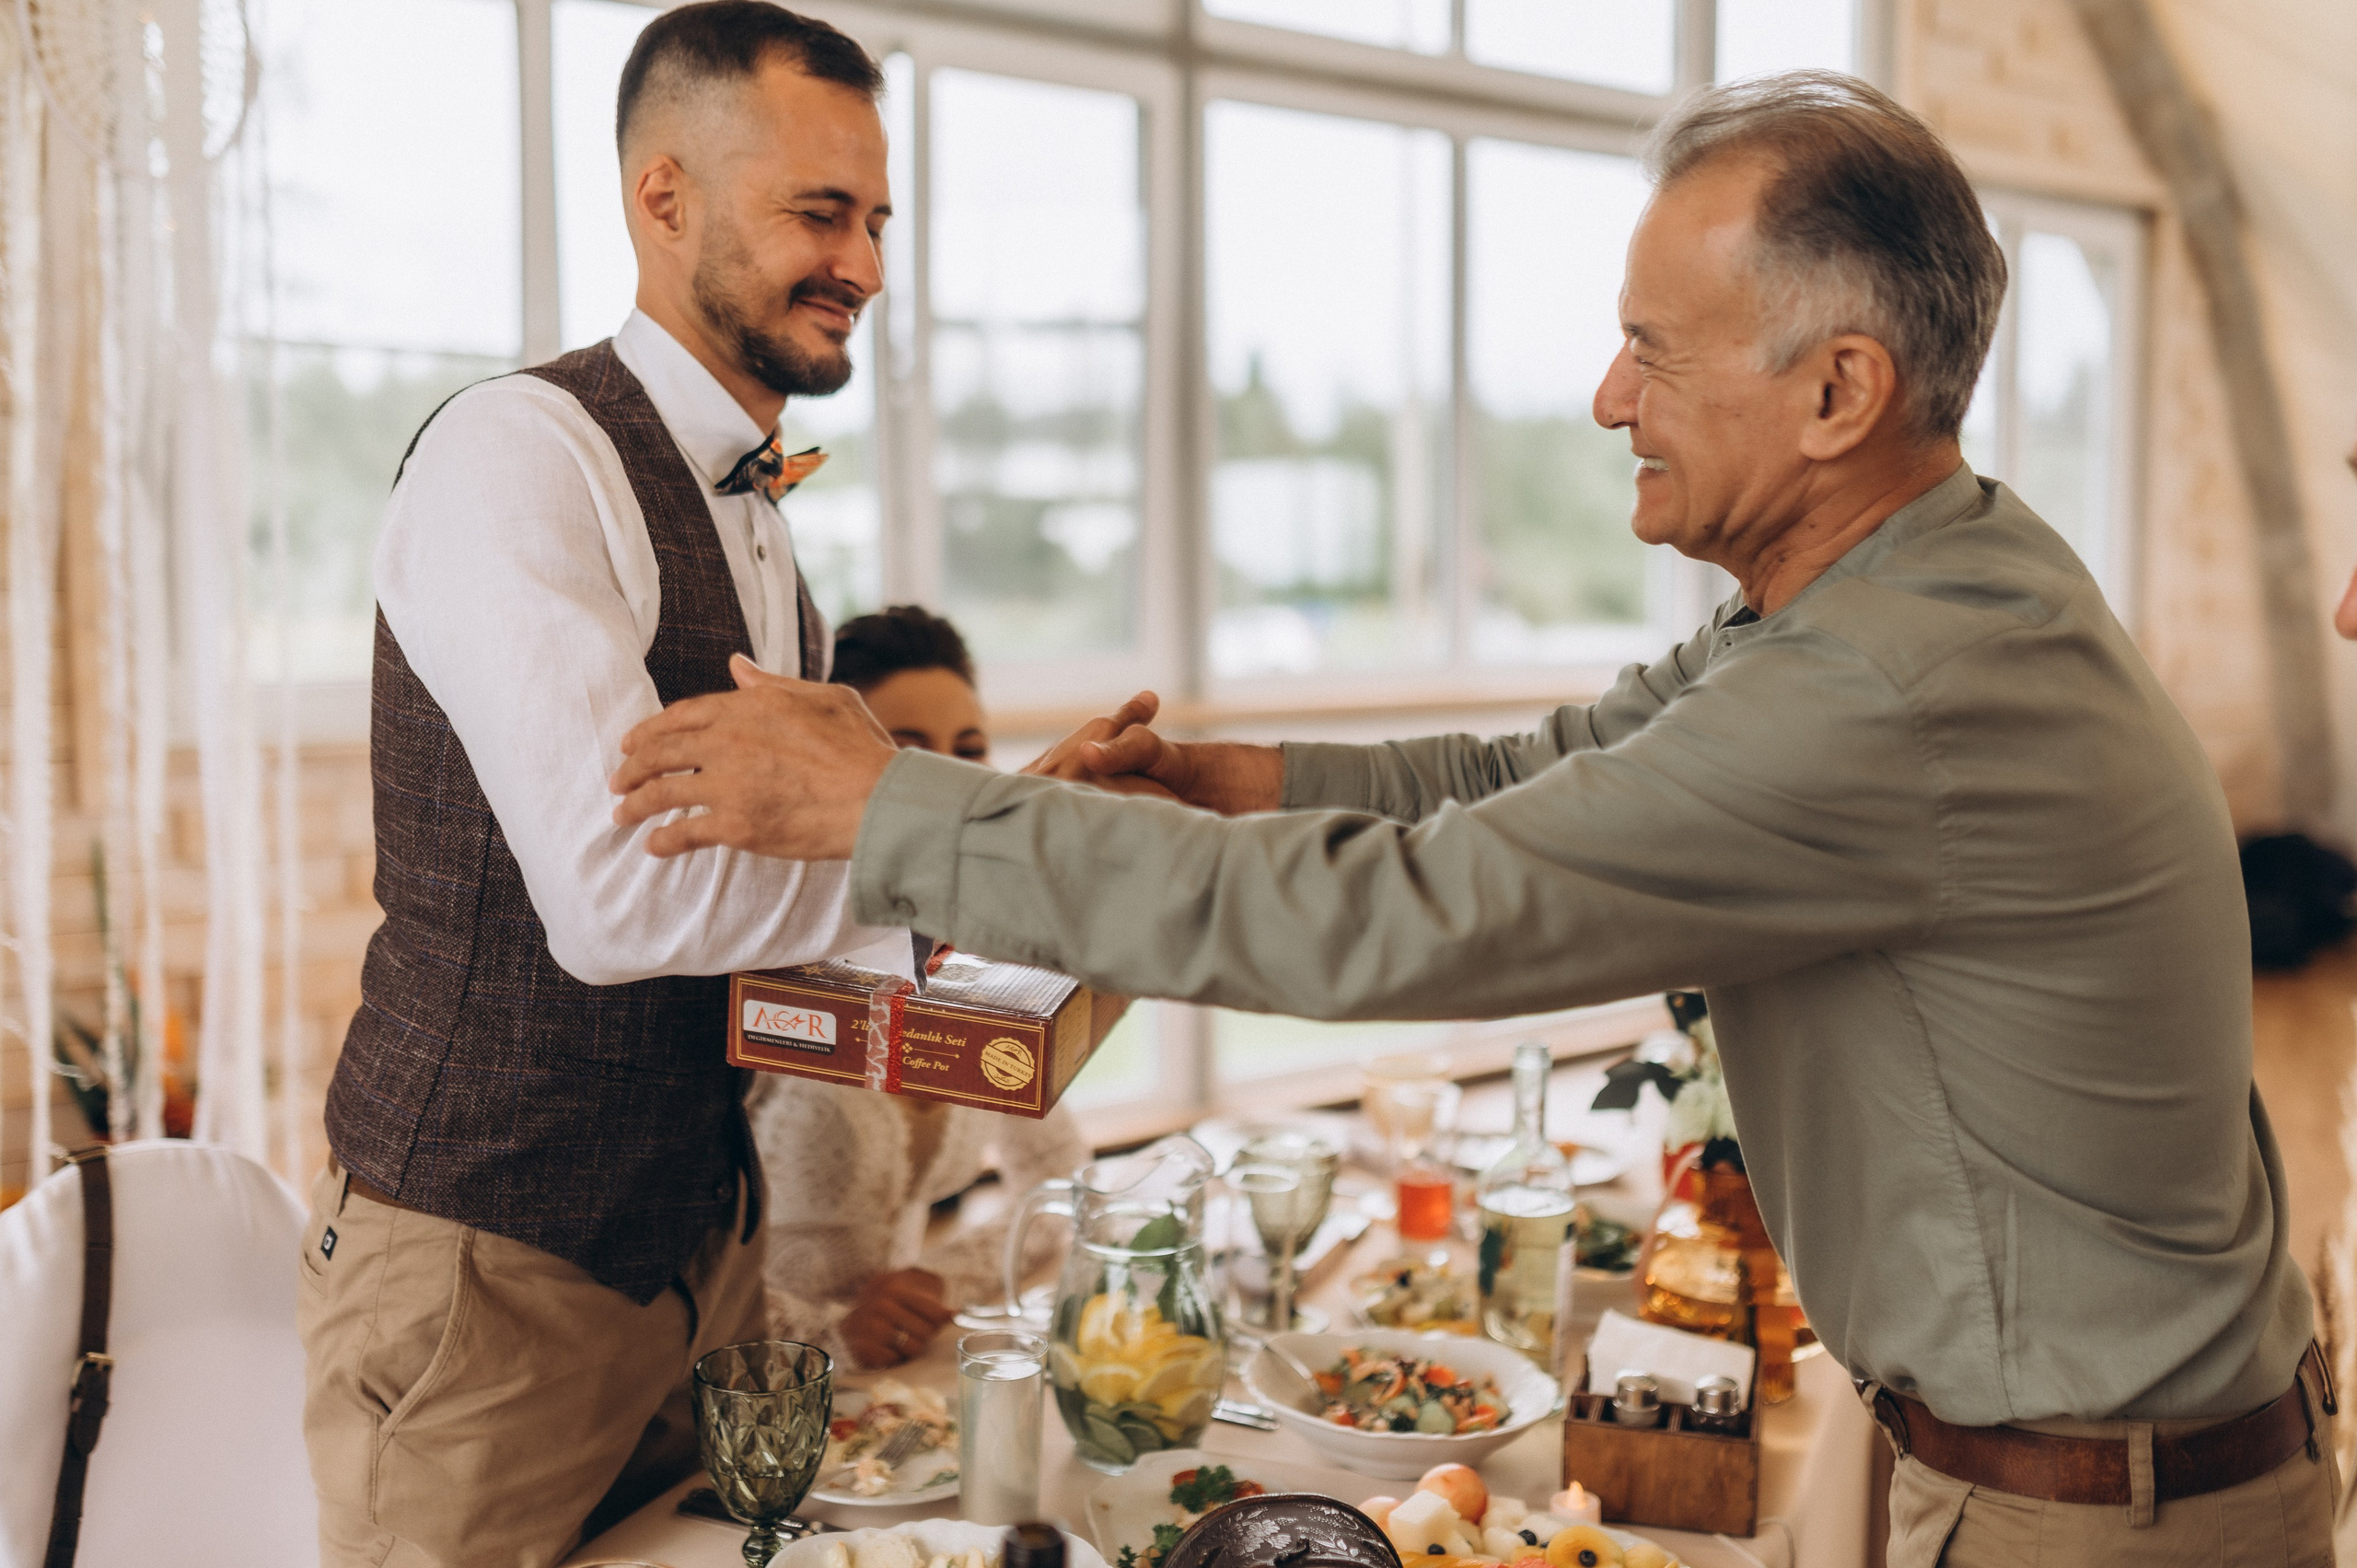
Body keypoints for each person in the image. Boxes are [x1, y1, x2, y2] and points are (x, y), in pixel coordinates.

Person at [610, 72, 2336, 1565]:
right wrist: (1248, 776)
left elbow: (1407, 915)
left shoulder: (1883, 688)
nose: (1607, 397)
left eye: (1653, 350)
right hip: (2070, 1457)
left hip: (2090, 1510)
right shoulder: (1905, 587)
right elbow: (1553, 764)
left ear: (1839, 392)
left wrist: (896, 807)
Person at [296, 8, 906, 1565]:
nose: (863, 264)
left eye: (877, 221)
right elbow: (621, 895)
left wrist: (1002, 850)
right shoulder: (519, 457)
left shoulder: (759, 513)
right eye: (820, 214)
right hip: (486, 1271)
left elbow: (786, 865)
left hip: (704, 1249)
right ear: (664, 197)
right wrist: (965, 858)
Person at [754, 606, 1087, 1371]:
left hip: (900, 1381)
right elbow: (676, 1253)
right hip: (743, 1385)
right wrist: (830, 1332)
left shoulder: (982, 959)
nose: (950, 786)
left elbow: (1060, 1181)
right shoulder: (764, 953)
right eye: (909, 756)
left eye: (968, 753)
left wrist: (936, 1281)